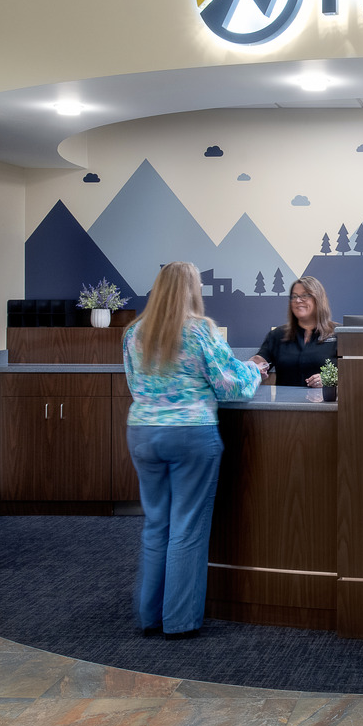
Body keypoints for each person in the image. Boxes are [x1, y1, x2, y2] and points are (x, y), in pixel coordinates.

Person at [123, 261, 262, 639]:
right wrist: (254, 368)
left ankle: (150, 616)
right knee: (187, 528)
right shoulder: (202, 331)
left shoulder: (133, 332)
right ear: (191, 289)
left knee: (156, 526)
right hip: (190, 435)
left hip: (143, 432)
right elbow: (232, 386)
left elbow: (135, 384)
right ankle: (180, 621)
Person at [251, 275, 337, 386]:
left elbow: (352, 373)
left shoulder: (339, 334)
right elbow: (260, 361)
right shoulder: (277, 335)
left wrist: (329, 379)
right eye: (294, 296)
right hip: (286, 403)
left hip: (323, 402)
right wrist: (251, 366)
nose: (298, 300)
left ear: (318, 299)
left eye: (304, 295)